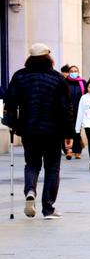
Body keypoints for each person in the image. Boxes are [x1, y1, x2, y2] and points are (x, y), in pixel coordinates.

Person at [2, 43, 73, 219]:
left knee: (32, 164)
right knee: (52, 167)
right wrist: (69, 134)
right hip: (53, 130)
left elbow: (10, 103)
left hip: (29, 128)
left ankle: (30, 190)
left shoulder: (20, 76)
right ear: (49, 58)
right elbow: (66, 108)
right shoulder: (57, 78)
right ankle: (48, 208)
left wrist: (12, 124)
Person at [64, 65, 86, 160]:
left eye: (75, 71)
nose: (73, 72)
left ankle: (77, 150)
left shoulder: (82, 82)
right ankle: (68, 151)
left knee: (77, 130)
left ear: (78, 72)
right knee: (68, 130)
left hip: (79, 109)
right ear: (69, 72)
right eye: (72, 71)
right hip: (67, 109)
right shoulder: (64, 82)